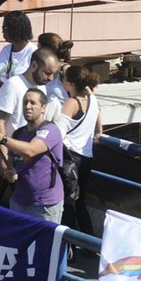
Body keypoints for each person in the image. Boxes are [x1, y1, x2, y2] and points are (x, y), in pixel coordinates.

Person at [0, 89, 64, 222]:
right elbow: (10, 165)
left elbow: (31, 150)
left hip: (45, 205)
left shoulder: (51, 130)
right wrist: (10, 173)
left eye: (33, 103)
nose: (28, 106)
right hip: (19, 201)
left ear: (43, 108)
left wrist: (2, 139)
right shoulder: (18, 134)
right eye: (25, 103)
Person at [53, 65, 102, 236]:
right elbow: (97, 114)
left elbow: (58, 132)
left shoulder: (72, 103)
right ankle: (88, 242)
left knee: (68, 202)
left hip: (70, 157)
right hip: (87, 157)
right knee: (79, 200)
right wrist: (99, 131)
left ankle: (70, 244)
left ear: (70, 83)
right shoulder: (92, 97)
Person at [0, 11, 35, 80]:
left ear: (15, 29)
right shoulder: (5, 50)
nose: (2, 31)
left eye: (4, 28)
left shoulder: (34, 53)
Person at [38, 31, 73, 104]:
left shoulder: (65, 70)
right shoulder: (38, 69)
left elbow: (84, 91)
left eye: (39, 47)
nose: (36, 50)